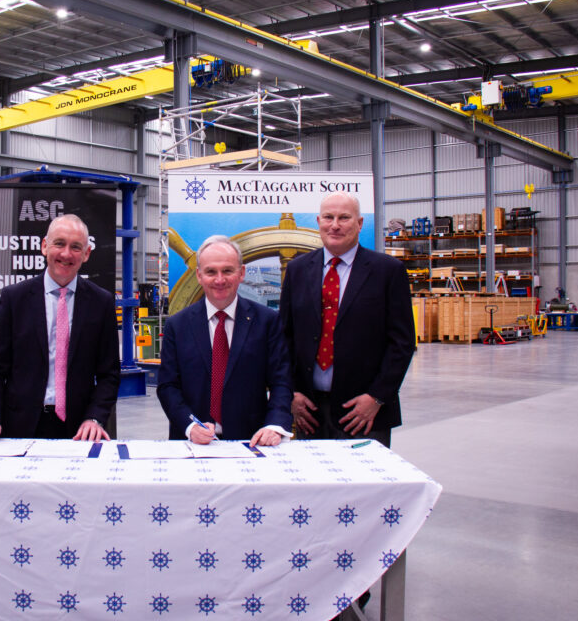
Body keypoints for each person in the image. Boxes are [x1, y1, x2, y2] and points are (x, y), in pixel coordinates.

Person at [279, 191, 415, 448]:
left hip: (364, 414)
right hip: (309, 411)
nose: (335, 225)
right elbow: (285, 337)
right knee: (315, 484)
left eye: (344, 218)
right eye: (328, 217)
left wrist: (376, 397)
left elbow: (402, 343)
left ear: (359, 223)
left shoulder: (387, 271)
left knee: (365, 486)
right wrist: (292, 393)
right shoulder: (298, 270)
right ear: (319, 221)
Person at [0, 214, 119, 443]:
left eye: (75, 247)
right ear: (44, 246)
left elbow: (109, 375)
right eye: (59, 244)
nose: (66, 254)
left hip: (80, 430)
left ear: (86, 253)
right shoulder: (15, 299)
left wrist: (95, 417)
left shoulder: (101, 303)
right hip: (18, 426)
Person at [157, 236, 293, 446]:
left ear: (241, 273)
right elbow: (167, 386)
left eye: (227, 270)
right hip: (192, 444)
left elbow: (281, 382)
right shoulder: (177, 325)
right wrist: (190, 426)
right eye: (211, 271)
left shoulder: (267, 321)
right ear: (199, 276)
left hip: (253, 442)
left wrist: (274, 425)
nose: (219, 279)